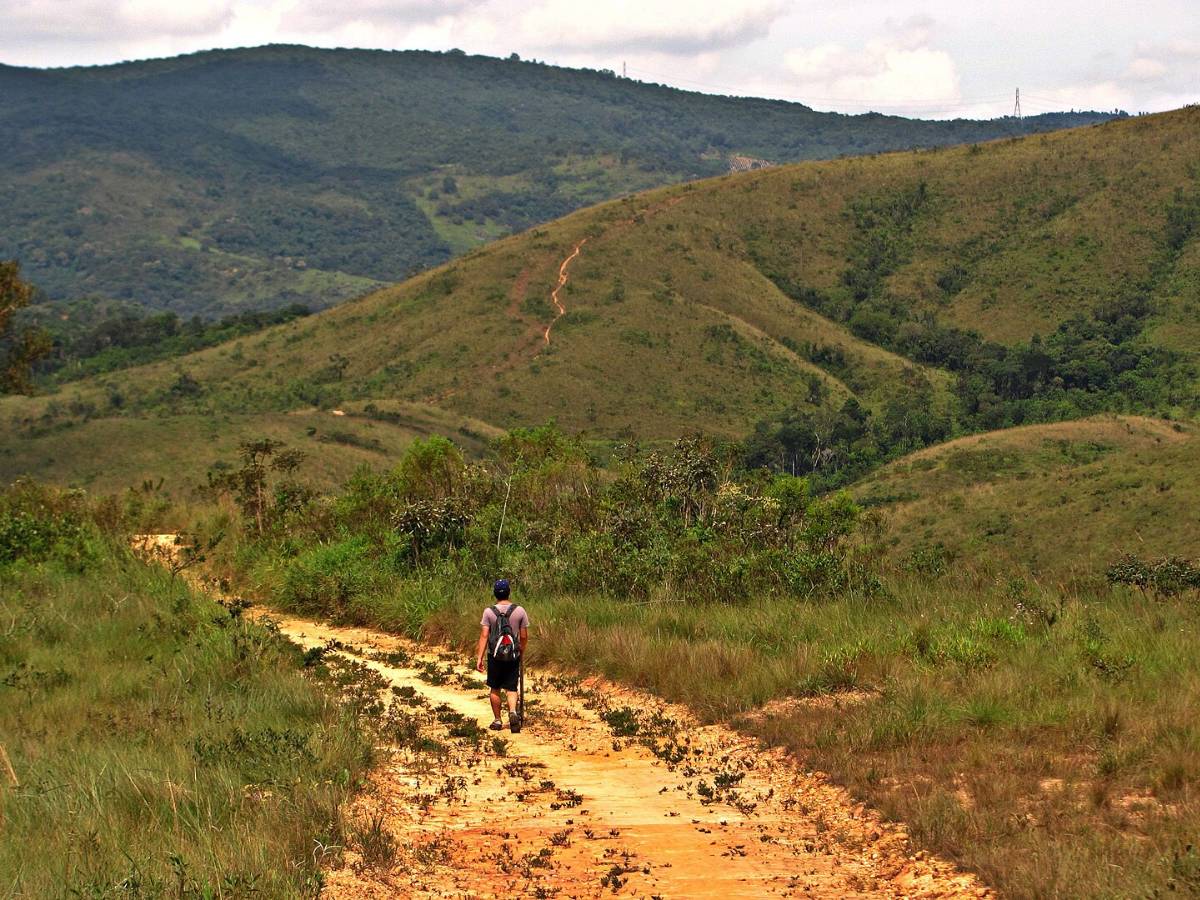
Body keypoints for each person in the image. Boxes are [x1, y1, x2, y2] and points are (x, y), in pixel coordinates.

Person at [475, 579, 529, 733]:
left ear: (495, 593)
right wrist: (521, 650)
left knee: (495, 687)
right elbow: (524, 636)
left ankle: (498, 720)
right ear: (509, 592)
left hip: (495, 655)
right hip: (512, 655)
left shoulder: (489, 612)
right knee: (511, 687)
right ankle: (513, 712)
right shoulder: (520, 611)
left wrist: (479, 657)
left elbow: (484, 635)